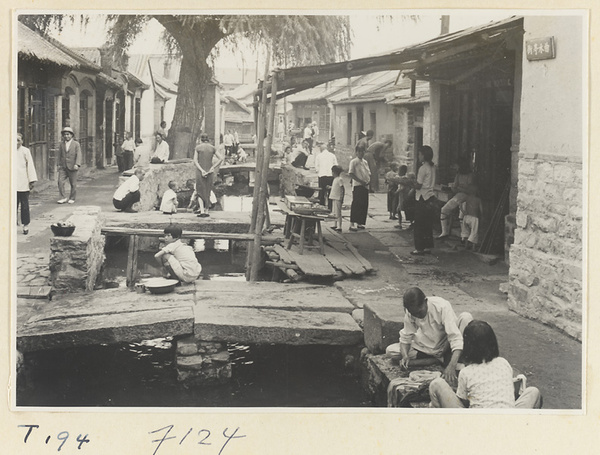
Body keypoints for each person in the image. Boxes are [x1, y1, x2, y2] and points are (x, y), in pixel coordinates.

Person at [429, 320, 543, 409]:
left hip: (480, 425)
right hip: (509, 421)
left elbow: (463, 402)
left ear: (468, 346)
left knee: (436, 384)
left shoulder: (466, 372)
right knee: (533, 391)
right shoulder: (504, 363)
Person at [386, 286, 473, 386]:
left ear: (425, 301)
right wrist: (405, 356)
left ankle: (445, 360)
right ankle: (437, 360)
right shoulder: (410, 312)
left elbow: (455, 338)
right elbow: (405, 337)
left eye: (419, 312)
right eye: (414, 314)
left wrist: (451, 366)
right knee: (390, 351)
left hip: (446, 344)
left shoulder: (441, 306)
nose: (417, 316)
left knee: (466, 318)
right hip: (427, 347)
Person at [438, 156, 474, 239]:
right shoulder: (458, 175)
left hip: (468, 197)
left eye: (456, 165)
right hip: (460, 195)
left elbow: (470, 190)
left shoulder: (470, 175)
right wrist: (453, 188)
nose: (455, 167)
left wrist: (457, 188)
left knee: (462, 215)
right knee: (445, 210)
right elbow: (455, 187)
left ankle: (464, 236)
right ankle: (445, 232)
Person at [411, 145, 437, 255]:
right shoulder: (432, 167)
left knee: (419, 224)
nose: (418, 156)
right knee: (428, 223)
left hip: (422, 197)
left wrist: (411, 183)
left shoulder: (422, 169)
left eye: (420, 154)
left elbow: (418, 185)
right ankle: (427, 246)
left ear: (424, 155)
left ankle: (419, 248)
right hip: (430, 196)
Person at [194, 133, 223, 217]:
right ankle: (207, 211)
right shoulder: (212, 148)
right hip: (210, 171)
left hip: (200, 171)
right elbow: (221, 158)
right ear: (208, 139)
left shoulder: (198, 148)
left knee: (200, 191)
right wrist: (213, 167)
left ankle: (202, 211)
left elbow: (195, 161)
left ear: (200, 139)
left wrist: (202, 170)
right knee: (208, 190)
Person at [16, 133, 37, 235]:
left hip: (23, 182)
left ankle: (25, 225)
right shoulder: (7, 149)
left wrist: (31, 180)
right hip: (12, 183)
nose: (16, 142)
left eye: (18, 140)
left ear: (22, 141)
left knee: (24, 205)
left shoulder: (25, 151)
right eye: (14, 140)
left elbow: (30, 166)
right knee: (12, 205)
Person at [348, 146, 371, 231]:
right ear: (356, 152)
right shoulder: (354, 162)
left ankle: (360, 222)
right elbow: (351, 173)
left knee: (364, 204)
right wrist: (360, 181)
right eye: (359, 152)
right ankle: (352, 223)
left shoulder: (365, 162)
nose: (361, 153)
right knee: (356, 204)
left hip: (365, 186)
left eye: (363, 152)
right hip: (358, 185)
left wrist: (368, 181)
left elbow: (368, 173)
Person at [57, 126, 82, 204]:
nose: (66, 136)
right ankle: (63, 197)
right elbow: (59, 155)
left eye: (68, 134)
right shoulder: (61, 144)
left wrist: (77, 164)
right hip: (63, 166)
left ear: (72, 135)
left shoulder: (76, 144)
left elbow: (79, 155)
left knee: (73, 183)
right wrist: (58, 164)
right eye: (64, 134)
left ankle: (72, 198)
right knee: (60, 182)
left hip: (72, 166)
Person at [314, 141, 338, 209]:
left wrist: (319, 171)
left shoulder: (319, 156)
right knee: (330, 193)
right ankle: (330, 208)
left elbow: (316, 167)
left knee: (322, 192)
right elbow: (336, 165)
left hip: (322, 176)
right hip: (331, 176)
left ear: (321, 149)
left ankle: (322, 207)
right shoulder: (332, 155)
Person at [460, 184, 483, 250]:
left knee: (466, 232)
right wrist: (482, 217)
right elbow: (481, 210)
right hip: (474, 218)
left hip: (466, 217)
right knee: (474, 232)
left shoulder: (467, 197)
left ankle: (466, 246)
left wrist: (463, 211)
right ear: (476, 192)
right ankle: (473, 248)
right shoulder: (478, 200)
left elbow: (460, 203)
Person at [328, 165, 345, 232]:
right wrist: (330, 187)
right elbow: (335, 187)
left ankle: (339, 226)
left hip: (338, 197)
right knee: (334, 212)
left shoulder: (340, 179)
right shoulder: (335, 179)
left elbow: (342, 188)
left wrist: (342, 197)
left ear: (335, 172)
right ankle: (335, 224)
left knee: (338, 212)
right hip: (334, 197)